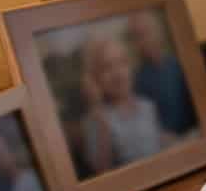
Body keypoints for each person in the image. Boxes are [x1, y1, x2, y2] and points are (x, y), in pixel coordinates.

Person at [80, 35, 171, 172]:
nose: (117, 73)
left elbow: (158, 142)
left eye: (122, 63)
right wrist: (97, 106)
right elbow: (101, 170)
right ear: (95, 78)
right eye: (107, 67)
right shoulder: (97, 120)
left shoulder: (147, 106)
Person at [127, 11, 198, 136]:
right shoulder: (137, 81)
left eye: (143, 34)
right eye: (135, 38)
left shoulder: (179, 65)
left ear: (158, 32)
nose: (141, 42)